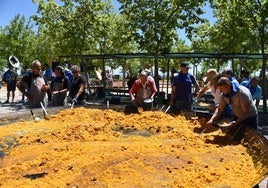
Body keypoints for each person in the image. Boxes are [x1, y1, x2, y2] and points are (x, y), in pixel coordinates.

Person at [206, 77, 258, 142]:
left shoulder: (242, 93)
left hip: (250, 118)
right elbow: (219, 109)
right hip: (237, 116)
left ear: (227, 85)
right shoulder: (224, 94)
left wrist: (236, 123)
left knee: (251, 139)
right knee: (235, 137)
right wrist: (212, 119)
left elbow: (245, 113)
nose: (220, 91)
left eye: (221, 88)